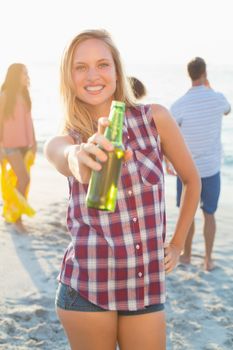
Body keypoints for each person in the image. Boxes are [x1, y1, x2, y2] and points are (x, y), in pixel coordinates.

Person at [44, 29, 200, 350]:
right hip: (87, 287)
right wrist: (80, 157)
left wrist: (177, 243)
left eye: (102, 64)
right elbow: (64, 157)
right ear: (69, 77)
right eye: (80, 67)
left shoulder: (155, 119)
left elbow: (192, 180)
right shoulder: (67, 138)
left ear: (117, 71)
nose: (93, 75)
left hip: (145, 287)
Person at [169, 57, 231, 271]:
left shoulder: (179, 104)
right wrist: (209, 85)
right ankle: (208, 259)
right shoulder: (218, 98)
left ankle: (185, 258)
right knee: (209, 214)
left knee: (188, 213)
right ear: (205, 73)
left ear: (189, 75)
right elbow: (227, 110)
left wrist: (168, 160)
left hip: (186, 171)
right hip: (211, 170)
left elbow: (168, 135)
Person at [0, 63, 37, 233]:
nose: (26, 76)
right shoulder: (5, 95)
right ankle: (16, 218)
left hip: (24, 146)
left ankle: (11, 212)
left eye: (27, 73)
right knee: (24, 180)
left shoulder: (24, 95)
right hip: (9, 146)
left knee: (19, 181)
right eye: (24, 73)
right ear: (15, 76)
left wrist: (34, 142)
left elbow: (29, 121)